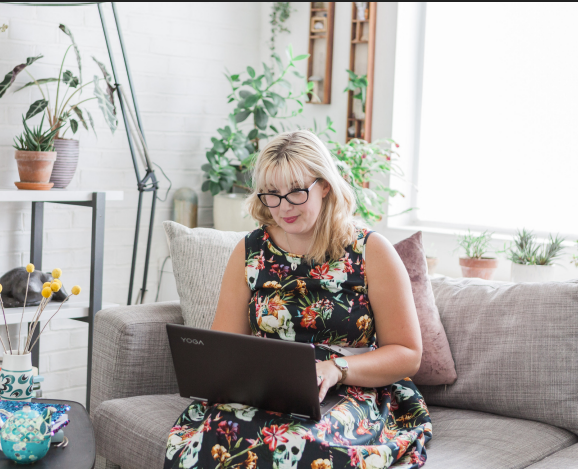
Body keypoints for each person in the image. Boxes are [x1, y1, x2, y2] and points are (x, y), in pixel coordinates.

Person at [164, 130, 432, 469]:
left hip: (351, 388)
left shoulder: (371, 251)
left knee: (299, 445)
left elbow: (408, 355)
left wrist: (336, 369)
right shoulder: (251, 252)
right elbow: (225, 347)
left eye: (295, 192)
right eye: (272, 194)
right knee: (220, 434)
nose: (283, 207)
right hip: (267, 388)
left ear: (325, 186)